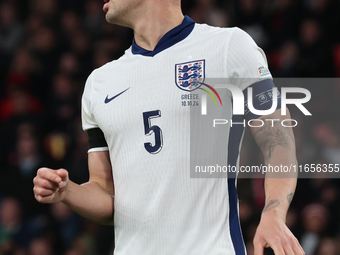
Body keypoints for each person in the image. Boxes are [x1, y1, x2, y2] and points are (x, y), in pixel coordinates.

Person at [33, 0, 305, 254]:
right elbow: (107, 195)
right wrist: (68, 192)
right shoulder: (99, 83)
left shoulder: (228, 47)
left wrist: (274, 214)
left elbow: (279, 142)